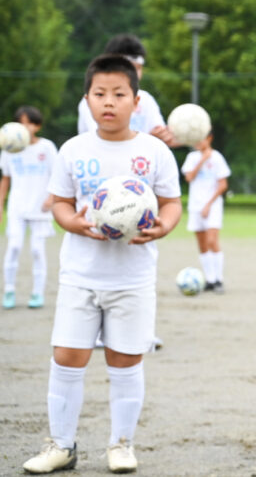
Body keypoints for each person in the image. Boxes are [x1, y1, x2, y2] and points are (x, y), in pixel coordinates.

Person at [22, 54, 181, 474]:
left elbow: (171, 203)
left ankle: (121, 444)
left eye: (118, 94)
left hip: (133, 277)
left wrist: (162, 227)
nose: (108, 102)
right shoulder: (74, 150)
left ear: (137, 101)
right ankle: (61, 445)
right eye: (99, 94)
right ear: (87, 99)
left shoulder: (154, 151)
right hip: (80, 274)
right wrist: (72, 222)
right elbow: (60, 202)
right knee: (67, 356)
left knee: (125, 359)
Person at [1, 106, 57, 309]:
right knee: (14, 246)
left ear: (38, 126)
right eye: (21, 122)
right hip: (17, 206)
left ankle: (37, 293)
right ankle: (8, 290)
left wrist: (51, 198)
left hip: (40, 208)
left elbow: (57, 175)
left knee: (37, 250)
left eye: (30, 123)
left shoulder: (47, 148)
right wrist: (1, 205)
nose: (26, 127)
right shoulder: (10, 148)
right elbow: (5, 180)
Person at [77, 34, 174, 147]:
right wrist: (147, 140)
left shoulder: (146, 99)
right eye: (130, 68)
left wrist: (165, 136)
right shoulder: (93, 100)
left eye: (138, 68)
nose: (135, 74)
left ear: (135, 101)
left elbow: (161, 135)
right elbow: (105, 138)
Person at [181, 130, 231, 293]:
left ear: (209, 138)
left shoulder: (217, 158)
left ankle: (218, 280)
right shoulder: (192, 158)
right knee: (202, 244)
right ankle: (209, 280)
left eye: (201, 138)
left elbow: (223, 184)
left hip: (213, 205)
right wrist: (202, 160)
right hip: (195, 205)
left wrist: (209, 204)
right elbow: (189, 178)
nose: (198, 142)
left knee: (212, 240)